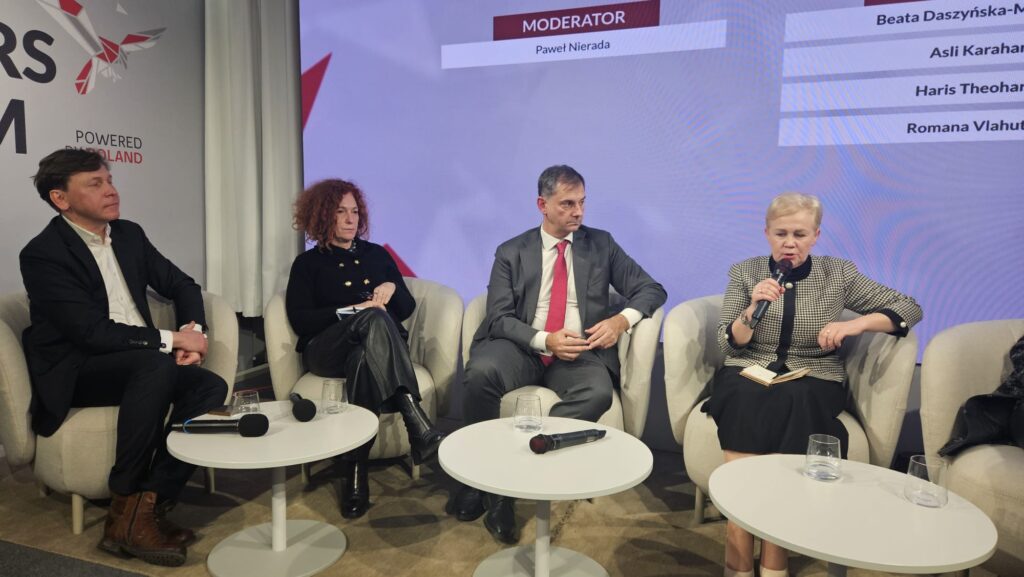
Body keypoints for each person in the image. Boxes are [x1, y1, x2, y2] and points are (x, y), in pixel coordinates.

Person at [20, 149, 227, 567]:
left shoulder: (129, 234)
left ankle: (144, 509)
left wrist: (195, 334)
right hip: (79, 368)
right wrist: (172, 340)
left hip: (140, 360)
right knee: (154, 363)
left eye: (110, 180)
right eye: (95, 184)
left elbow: (182, 284)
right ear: (61, 198)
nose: (111, 190)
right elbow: (91, 334)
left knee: (210, 387)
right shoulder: (43, 254)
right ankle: (126, 495)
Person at [703, 192, 922, 577]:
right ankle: (738, 537)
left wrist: (855, 324)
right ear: (767, 233)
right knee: (742, 394)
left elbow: (908, 307)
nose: (790, 243)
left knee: (795, 397)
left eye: (800, 234)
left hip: (813, 374)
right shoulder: (745, 272)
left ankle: (774, 554)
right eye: (781, 234)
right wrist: (751, 310)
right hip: (749, 367)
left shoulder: (838, 273)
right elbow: (729, 343)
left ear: (816, 235)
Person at [452, 164, 666, 543]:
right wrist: (544, 340)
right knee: (481, 373)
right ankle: (482, 483)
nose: (578, 212)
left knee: (597, 392)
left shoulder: (601, 244)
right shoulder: (511, 251)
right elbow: (498, 317)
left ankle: (519, 470)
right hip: (523, 345)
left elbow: (652, 289)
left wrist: (621, 321)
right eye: (568, 204)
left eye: (582, 202)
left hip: (578, 350)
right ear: (543, 205)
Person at [285, 178, 444, 519]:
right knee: (372, 317)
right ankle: (415, 420)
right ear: (322, 216)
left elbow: (406, 307)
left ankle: (355, 473)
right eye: (340, 212)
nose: (350, 219)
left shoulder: (377, 255)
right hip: (326, 349)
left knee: (363, 360)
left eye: (355, 212)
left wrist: (391, 286)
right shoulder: (307, 264)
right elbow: (301, 319)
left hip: (371, 350)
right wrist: (352, 311)